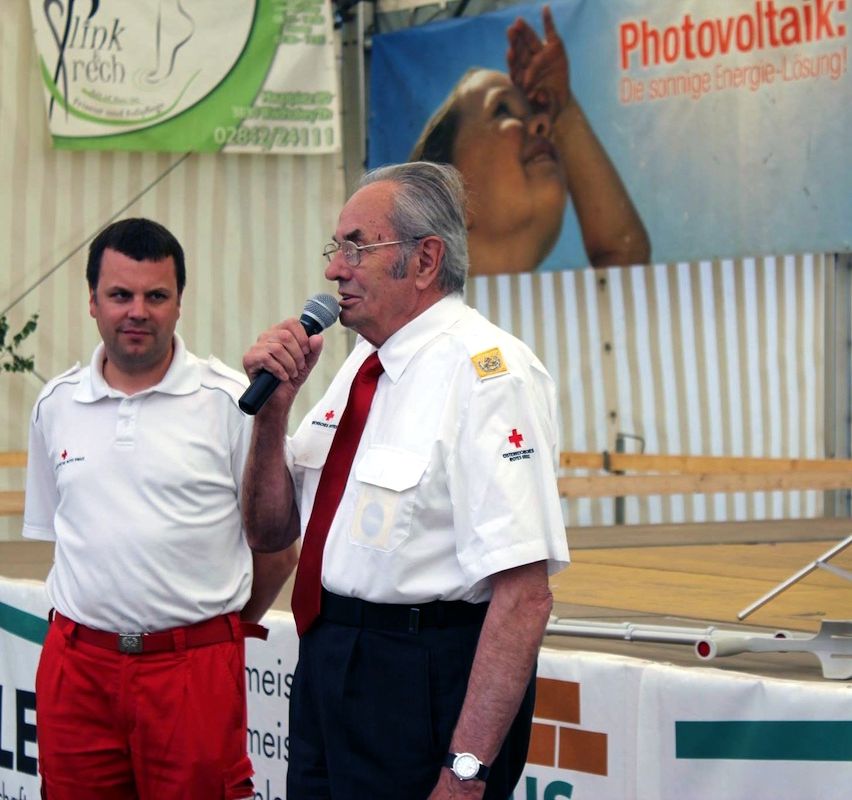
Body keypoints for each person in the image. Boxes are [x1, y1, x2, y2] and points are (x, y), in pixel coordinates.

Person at [241, 161, 570, 799]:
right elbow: (271, 529)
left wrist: (465, 772)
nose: (335, 269)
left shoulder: (490, 376)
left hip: (420, 678)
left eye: (357, 247)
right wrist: (273, 411)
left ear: (425, 260)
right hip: (328, 665)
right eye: (336, 248)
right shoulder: (361, 365)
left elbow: (525, 597)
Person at [23, 217, 295, 799]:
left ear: (179, 304)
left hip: (191, 673)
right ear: (92, 302)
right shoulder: (56, 404)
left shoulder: (231, 403)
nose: (137, 311)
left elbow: (277, 546)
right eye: (120, 295)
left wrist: (221, 629)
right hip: (78, 672)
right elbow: (63, 537)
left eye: (155, 296)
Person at [410, 5, 650, 275]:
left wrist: (563, 110)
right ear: (450, 198)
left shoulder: (570, 309)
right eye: (502, 109)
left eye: (541, 114)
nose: (544, 124)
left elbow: (626, 257)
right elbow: (624, 257)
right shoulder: (417, 315)